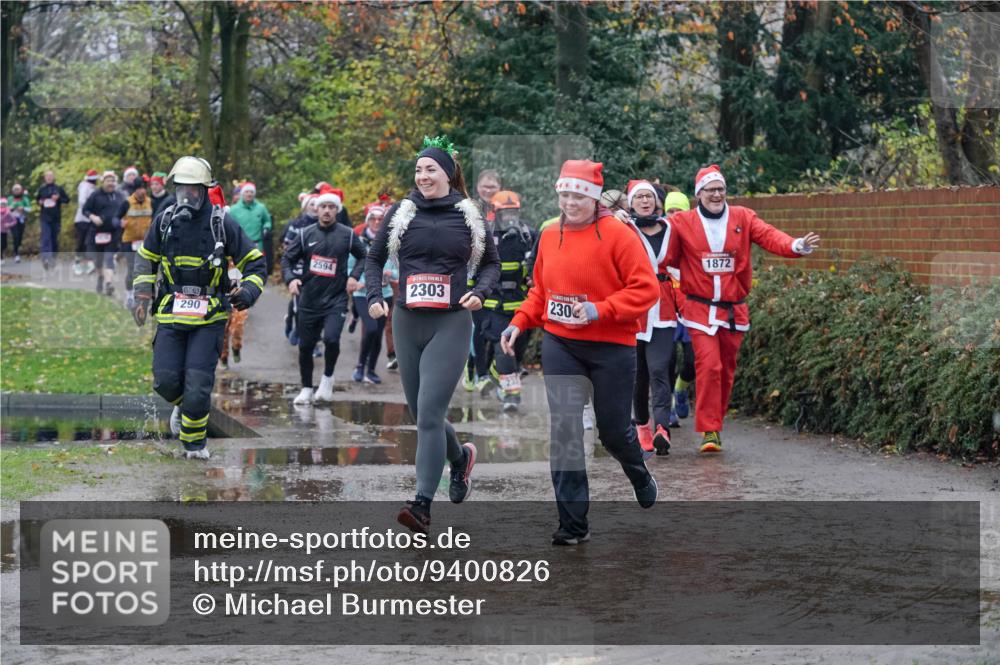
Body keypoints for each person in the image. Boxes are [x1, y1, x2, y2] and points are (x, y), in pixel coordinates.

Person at [501, 159, 660, 546]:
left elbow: (646, 289)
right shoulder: (550, 233)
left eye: (578, 195)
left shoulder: (619, 235)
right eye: (565, 194)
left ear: (593, 197)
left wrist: (599, 309)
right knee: (566, 431)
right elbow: (540, 291)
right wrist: (520, 321)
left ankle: (638, 471)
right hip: (561, 344)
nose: (570, 202)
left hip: (612, 345)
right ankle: (573, 524)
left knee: (613, 432)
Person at [365, 136, 500, 534]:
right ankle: (459, 460)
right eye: (419, 169)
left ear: (448, 173)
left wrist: (480, 292)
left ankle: (421, 504)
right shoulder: (401, 211)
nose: (423, 176)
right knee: (423, 412)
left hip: (451, 320)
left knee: (428, 414)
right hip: (408, 320)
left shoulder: (469, 213)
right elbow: (374, 259)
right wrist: (375, 296)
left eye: (431, 169)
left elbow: (492, 265)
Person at [665, 165, 820, 452]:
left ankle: (716, 423)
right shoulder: (682, 223)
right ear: (698, 194)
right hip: (699, 309)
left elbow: (770, 235)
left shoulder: (743, 217)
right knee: (709, 366)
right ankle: (709, 430)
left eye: (720, 189)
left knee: (725, 370)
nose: (716, 195)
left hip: (734, 310)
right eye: (710, 190)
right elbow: (662, 250)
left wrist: (795, 244)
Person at [132, 156, 266, 459]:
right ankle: (184, 406)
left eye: (192, 190)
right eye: (181, 189)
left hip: (210, 318)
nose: (186, 196)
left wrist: (248, 291)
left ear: (204, 190)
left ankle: (194, 447)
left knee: (197, 385)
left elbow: (256, 264)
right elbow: (145, 258)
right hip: (170, 314)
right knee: (165, 381)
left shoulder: (222, 223)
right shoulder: (164, 221)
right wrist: (141, 295)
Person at [281, 189, 367, 405]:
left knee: (331, 338)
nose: (327, 211)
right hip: (309, 299)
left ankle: (327, 378)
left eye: (331, 207)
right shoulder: (305, 234)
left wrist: (354, 276)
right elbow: (286, 260)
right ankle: (307, 388)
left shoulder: (347, 235)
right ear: (316, 209)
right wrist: (291, 279)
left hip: (335, 299)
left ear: (337, 210)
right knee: (306, 346)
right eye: (323, 207)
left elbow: (364, 256)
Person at [623, 179, 679, 457]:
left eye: (649, 197)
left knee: (659, 370)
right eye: (639, 197)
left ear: (657, 201)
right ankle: (643, 427)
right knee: (638, 376)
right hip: (634, 312)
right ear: (630, 202)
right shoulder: (623, 229)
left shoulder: (671, 228)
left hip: (665, 312)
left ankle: (662, 430)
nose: (645, 201)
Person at [478, 190, 535, 412]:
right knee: (504, 350)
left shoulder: (528, 236)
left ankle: (497, 375)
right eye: (505, 213)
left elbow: (539, 266)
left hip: (521, 307)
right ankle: (512, 396)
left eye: (514, 212)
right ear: (495, 213)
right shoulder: (485, 237)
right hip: (494, 306)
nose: (510, 218)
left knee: (517, 353)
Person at [348, 204, 397, 384]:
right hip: (363, 294)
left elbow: (398, 269)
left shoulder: (390, 243)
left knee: (377, 334)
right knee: (371, 328)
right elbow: (348, 267)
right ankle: (360, 366)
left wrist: (391, 273)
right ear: (367, 221)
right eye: (373, 219)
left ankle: (371, 370)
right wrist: (355, 280)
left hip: (385, 294)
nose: (377, 222)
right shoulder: (359, 242)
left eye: (380, 219)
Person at [662, 190, 695, 424]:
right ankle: (670, 403)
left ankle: (682, 388)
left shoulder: (696, 237)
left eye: (679, 211)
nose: (674, 216)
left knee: (693, 362)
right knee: (668, 360)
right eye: (670, 211)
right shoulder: (659, 237)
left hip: (692, 310)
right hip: (666, 311)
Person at [82, 171, 129, 297]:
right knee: (98, 260)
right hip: (96, 232)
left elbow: (126, 211)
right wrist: (93, 217)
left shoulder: (120, 196)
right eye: (108, 181)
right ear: (103, 182)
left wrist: (124, 220)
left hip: (113, 232)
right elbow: (85, 210)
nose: (111, 184)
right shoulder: (95, 195)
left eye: (113, 181)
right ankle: (101, 277)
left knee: (109, 258)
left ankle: (108, 283)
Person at [282, 192, 319, 345]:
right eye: (312, 204)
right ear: (305, 207)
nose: (315, 208)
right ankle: (293, 323)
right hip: (299, 270)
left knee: (316, 306)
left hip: (317, 271)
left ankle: (313, 340)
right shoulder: (296, 224)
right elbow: (286, 245)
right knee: (299, 304)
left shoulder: (324, 226)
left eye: (318, 205)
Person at [121, 178, 154, 307]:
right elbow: (115, 218)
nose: (142, 191)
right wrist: (119, 222)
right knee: (131, 269)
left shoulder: (150, 202)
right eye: (140, 188)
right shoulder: (127, 203)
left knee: (146, 270)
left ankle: (144, 297)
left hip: (145, 241)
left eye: (144, 188)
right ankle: (129, 295)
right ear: (135, 190)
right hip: (129, 241)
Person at [35, 170, 70, 270]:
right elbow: (37, 199)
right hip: (44, 217)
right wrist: (40, 202)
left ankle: (53, 258)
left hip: (56, 218)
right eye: (47, 176)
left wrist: (58, 199)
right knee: (46, 238)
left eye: (51, 176)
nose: (49, 178)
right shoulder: (41, 189)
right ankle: (46, 259)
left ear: (54, 177)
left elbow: (67, 200)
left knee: (54, 239)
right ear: (45, 178)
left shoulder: (58, 188)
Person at [73, 170, 99, 275]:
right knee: (81, 242)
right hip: (82, 219)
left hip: (91, 219)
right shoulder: (85, 186)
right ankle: (77, 264)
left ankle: (89, 263)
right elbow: (82, 201)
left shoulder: (93, 188)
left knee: (89, 242)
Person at [7, 183, 31, 264]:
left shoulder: (24, 199)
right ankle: (16, 254)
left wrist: (23, 208)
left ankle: (17, 248)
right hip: (12, 220)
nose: (16, 191)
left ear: (21, 190)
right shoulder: (9, 199)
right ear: (13, 191)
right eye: (15, 189)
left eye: (18, 189)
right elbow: (4, 209)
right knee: (15, 235)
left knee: (19, 236)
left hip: (21, 219)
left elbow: (29, 209)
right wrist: (10, 209)